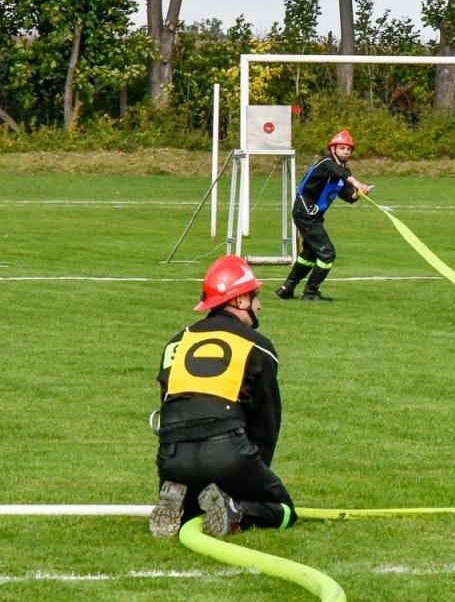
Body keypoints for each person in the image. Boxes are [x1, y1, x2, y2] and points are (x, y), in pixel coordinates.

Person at [149, 254, 296, 539]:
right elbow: (266, 424)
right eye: (254, 297)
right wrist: (252, 473)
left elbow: (167, 405)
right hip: (227, 450)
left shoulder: (176, 342)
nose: (259, 305)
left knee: (198, 509)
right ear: (239, 301)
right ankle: (235, 510)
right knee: (283, 510)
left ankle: (181, 503)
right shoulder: (259, 347)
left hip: (173, 455)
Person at [277, 128, 373, 301]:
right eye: (342, 148)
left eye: (349, 149)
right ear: (333, 148)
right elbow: (340, 173)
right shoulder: (326, 162)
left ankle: (287, 288)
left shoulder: (340, 172)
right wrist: (358, 183)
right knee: (327, 253)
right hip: (305, 212)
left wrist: (360, 193)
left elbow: (348, 196)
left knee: (311, 253)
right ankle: (311, 292)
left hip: (313, 216)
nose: (346, 151)